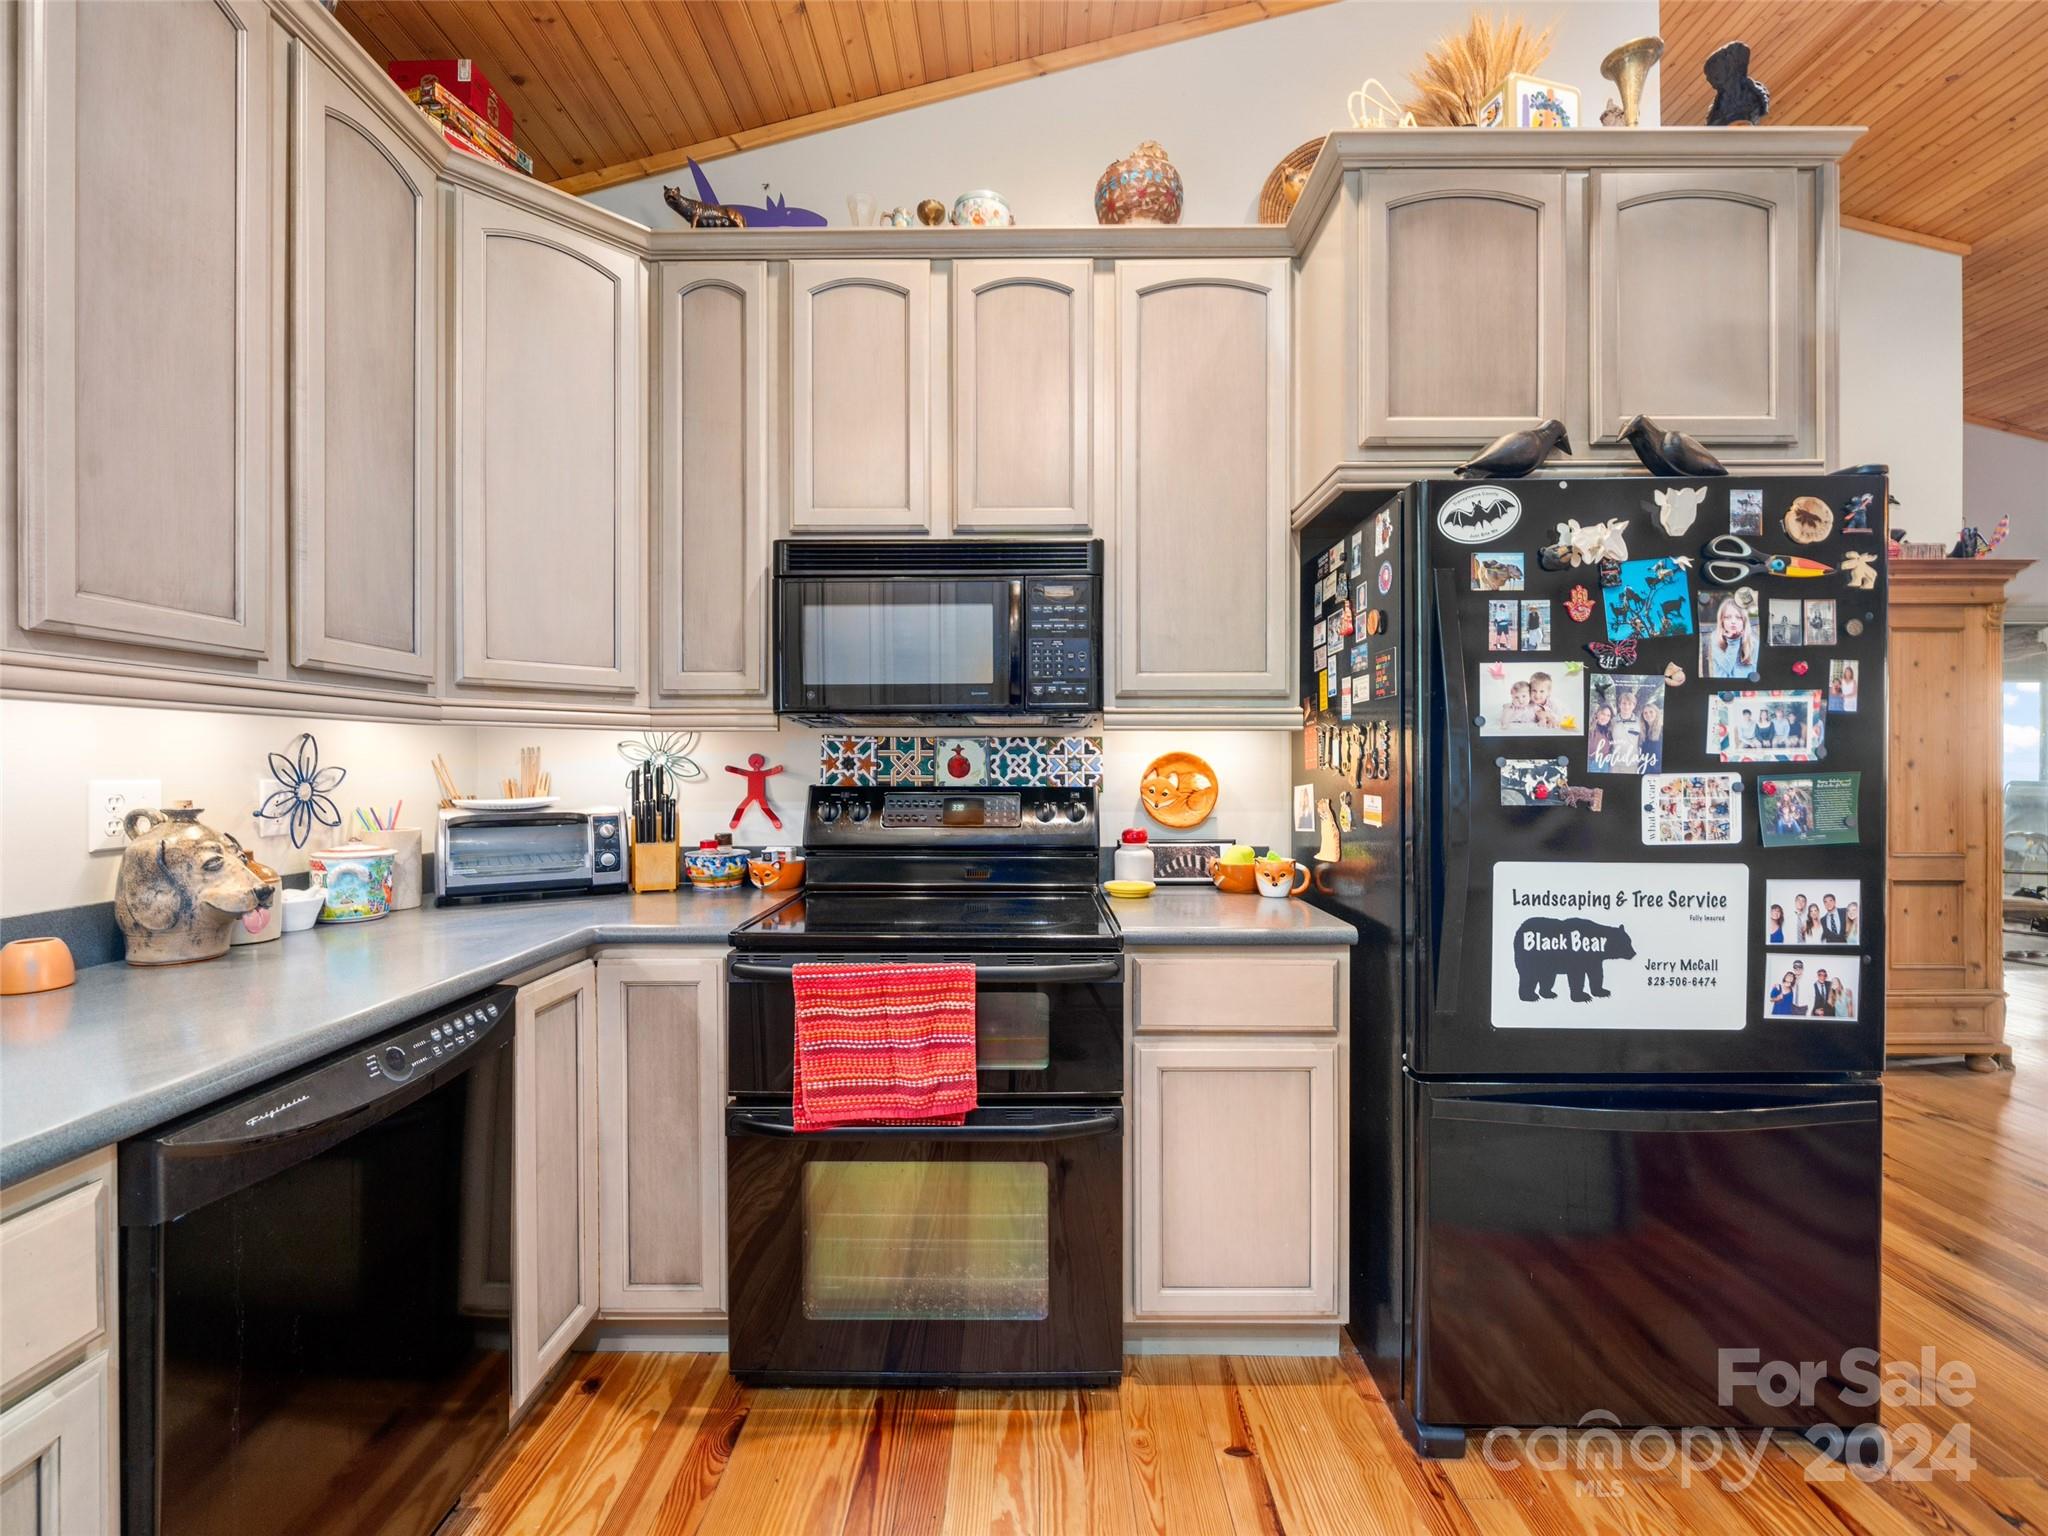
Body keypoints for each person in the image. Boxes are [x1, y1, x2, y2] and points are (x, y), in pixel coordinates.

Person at [1706, 595, 1758, 678]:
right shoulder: (1715, 637)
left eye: (1738, 617)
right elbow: (1727, 668)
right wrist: (1733, 642)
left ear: (1744, 621)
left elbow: (1754, 671)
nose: (1733, 621)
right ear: (1722, 620)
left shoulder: (1753, 641)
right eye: (1728, 617)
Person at [1587, 704, 1616, 771]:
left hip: (1605, 763)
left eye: (1608, 715)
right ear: (1597, 714)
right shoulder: (1591, 729)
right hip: (1592, 763)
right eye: (1603, 714)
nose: (1605, 717)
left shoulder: (1608, 731)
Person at [1638, 702, 1664, 772]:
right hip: (1644, 768)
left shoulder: (1662, 730)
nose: (1648, 714)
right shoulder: (1642, 732)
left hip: (1657, 769)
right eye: (1645, 713)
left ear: (1656, 713)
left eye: (1651, 712)